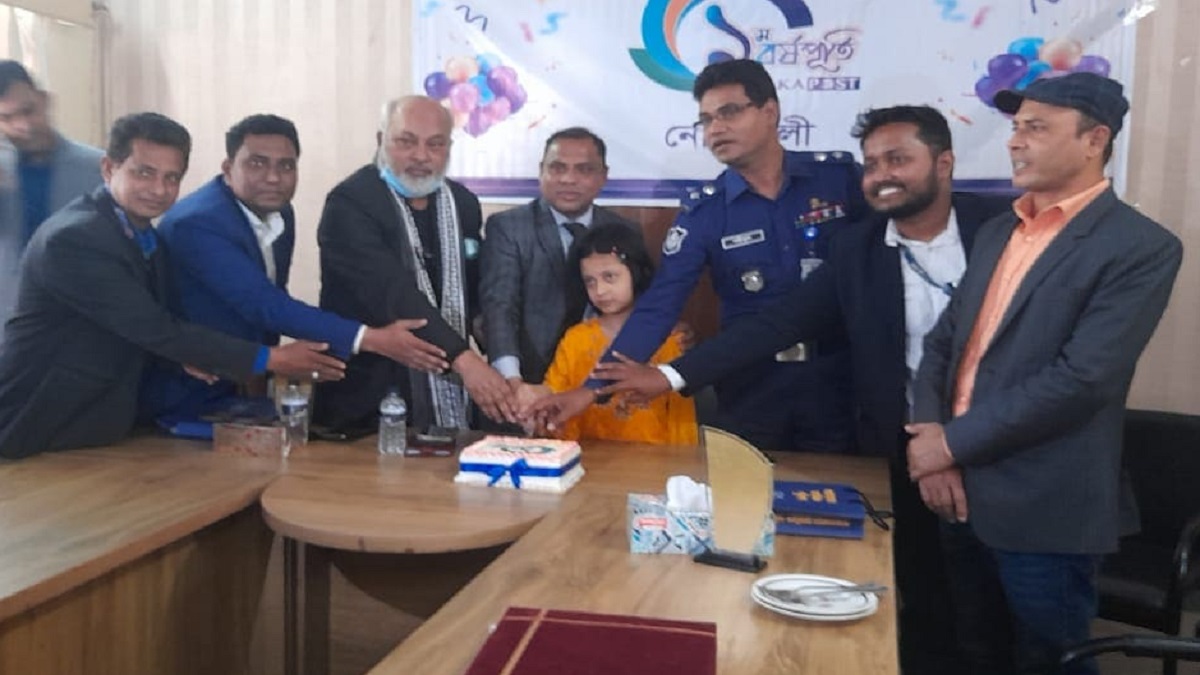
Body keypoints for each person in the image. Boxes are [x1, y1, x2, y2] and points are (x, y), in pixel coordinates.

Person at [593, 105, 1010, 674]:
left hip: (1000, 455)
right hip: (903, 450)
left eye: (897, 159)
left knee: (1003, 614)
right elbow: (776, 323)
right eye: (871, 164)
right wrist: (668, 375)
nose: (881, 175)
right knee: (919, 597)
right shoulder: (857, 248)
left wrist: (957, 445)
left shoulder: (1004, 229)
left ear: (943, 163)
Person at [906, 73, 1182, 674]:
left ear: (1094, 141)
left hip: (1044, 507)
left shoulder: (1140, 246)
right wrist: (933, 441)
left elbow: (1082, 380)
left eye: (1036, 128)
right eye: (1015, 127)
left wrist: (948, 443)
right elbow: (944, 343)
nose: (1015, 141)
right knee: (973, 652)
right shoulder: (1000, 230)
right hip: (957, 491)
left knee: (1049, 662)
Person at [528, 58, 866, 454]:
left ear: (770, 112)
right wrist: (590, 390)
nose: (715, 129)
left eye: (729, 112)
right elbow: (660, 304)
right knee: (747, 490)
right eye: (706, 120)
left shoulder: (839, 180)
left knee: (847, 489)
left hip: (842, 379)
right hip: (752, 385)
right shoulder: (705, 212)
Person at [0, 112, 344, 460]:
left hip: (99, 425)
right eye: (144, 173)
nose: (159, 190)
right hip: (37, 424)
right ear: (108, 168)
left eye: (172, 177)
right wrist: (273, 358)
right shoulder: (75, 238)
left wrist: (184, 357)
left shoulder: (141, 234)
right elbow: (155, 327)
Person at [147, 114, 447, 422]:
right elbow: (264, 304)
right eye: (257, 164)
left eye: (286, 166)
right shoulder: (197, 223)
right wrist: (369, 338)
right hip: (187, 391)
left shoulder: (279, 212)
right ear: (228, 168)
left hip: (243, 388)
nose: (273, 178)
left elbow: (274, 298)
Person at [314, 95, 513, 433]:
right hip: (366, 404)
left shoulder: (462, 204)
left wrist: (506, 365)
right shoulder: (350, 203)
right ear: (381, 140)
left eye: (435, 144)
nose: (421, 156)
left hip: (453, 398)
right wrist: (465, 360)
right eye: (406, 142)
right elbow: (392, 292)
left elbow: (475, 293)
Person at [480, 127, 640, 393]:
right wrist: (512, 382)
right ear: (541, 171)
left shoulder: (624, 231)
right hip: (529, 383)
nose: (568, 179)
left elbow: (641, 303)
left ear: (603, 176)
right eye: (557, 168)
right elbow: (500, 308)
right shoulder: (508, 227)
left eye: (584, 170)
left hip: (604, 382)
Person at [526, 223, 696, 444]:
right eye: (590, 281)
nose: (600, 290)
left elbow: (680, 418)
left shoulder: (670, 339)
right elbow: (556, 400)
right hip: (589, 455)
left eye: (610, 277)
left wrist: (683, 460)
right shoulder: (576, 339)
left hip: (655, 457)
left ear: (636, 272)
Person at [0, 60, 103, 336]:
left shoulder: (99, 169)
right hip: (8, 329)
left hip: (81, 328)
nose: (22, 125)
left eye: (28, 111)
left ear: (45, 101)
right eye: (7, 118)